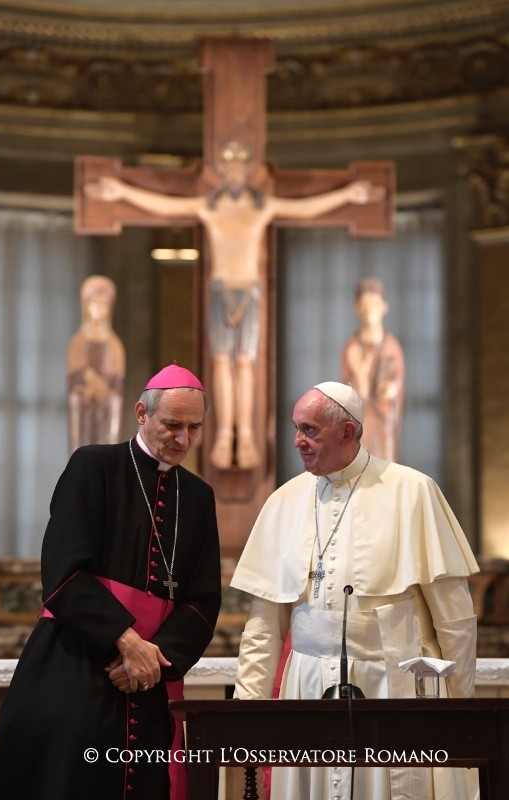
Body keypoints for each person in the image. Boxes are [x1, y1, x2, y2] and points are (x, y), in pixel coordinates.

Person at [0, 364, 221, 800]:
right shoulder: (93, 467)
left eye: (194, 427)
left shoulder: (199, 497)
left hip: (150, 679)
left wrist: (154, 660)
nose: (182, 439)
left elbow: (203, 600)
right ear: (141, 413)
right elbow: (64, 572)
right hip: (77, 660)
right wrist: (125, 642)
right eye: (172, 424)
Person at [231, 381, 479, 800]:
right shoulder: (284, 501)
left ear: (348, 432)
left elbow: (455, 618)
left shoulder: (413, 491)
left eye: (310, 430)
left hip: (393, 687)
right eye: (296, 428)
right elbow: (263, 626)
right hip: (307, 689)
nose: (298, 441)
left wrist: (458, 715)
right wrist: (246, 712)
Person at [85, 141, 385, 471]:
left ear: (247, 172)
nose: (235, 173)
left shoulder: (261, 208)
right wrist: (121, 192)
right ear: (223, 172)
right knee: (221, 365)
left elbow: (304, 208)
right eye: (229, 167)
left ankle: (247, 437)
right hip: (220, 291)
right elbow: (166, 206)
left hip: (249, 293)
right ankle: (225, 435)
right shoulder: (210, 208)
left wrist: (347, 196)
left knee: (245, 365)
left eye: (241, 167)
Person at [342, 277, 405, 460]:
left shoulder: (391, 346)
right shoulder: (352, 347)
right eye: (365, 304)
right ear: (356, 307)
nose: (370, 310)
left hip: (384, 421)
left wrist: (390, 389)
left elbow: (394, 387)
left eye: (374, 304)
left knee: (385, 467)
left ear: (384, 307)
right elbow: (350, 390)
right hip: (360, 423)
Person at [67, 274, 126, 452]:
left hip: (104, 410)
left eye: (104, 304)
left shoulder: (114, 345)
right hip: (84, 407)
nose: (99, 310)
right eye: (94, 304)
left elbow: (117, 385)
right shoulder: (78, 342)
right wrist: (85, 389)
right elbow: (73, 381)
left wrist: (104, 391)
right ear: (85, 306)